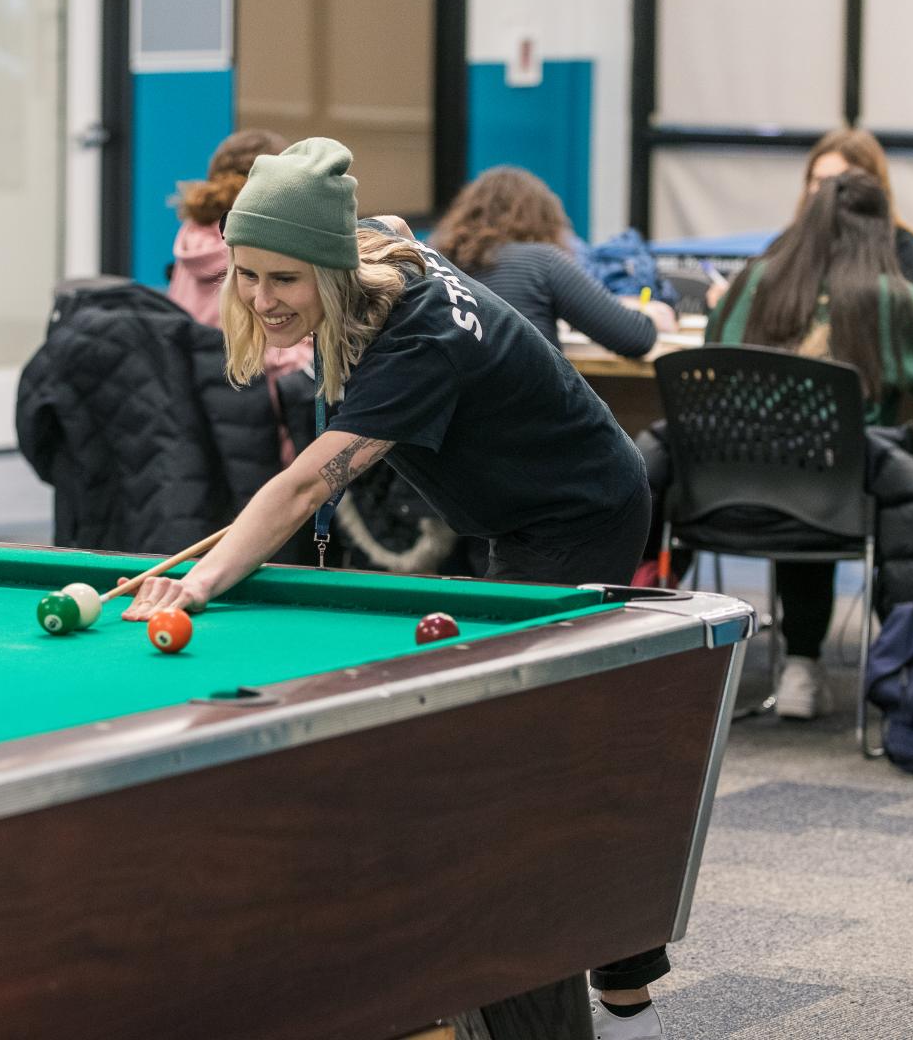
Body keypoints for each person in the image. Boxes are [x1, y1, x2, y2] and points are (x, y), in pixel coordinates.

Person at [119, 137, 668, 1040]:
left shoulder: (418, 339)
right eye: (246, 274)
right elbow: (385, 224)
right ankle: (607, 985)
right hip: (515, 515)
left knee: (522, 759)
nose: (260, 297)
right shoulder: (371, 242)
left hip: (582, 513)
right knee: (531, 741)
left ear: (332, 269)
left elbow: (304, 486)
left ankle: (614, 999)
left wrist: (195, 583)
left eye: (284, 279)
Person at [706, 169, 913, 717]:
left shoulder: (748, 284)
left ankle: (800, 664)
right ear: (881, 230)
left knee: (804, 474)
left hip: (729, 491)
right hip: (837, 494)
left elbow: (711, 346)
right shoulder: (885, 299)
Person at [432, 165, 677, 356]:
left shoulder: (437, 264)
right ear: (543, 218)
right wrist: (649, 316)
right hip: (527, 402)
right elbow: (635, 338)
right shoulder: (542, 262)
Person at [708, 127, 913, 309]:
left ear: (871, 188)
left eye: (839, 182)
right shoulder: (789, 242)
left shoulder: (902, 245)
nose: (825, 192)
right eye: (818, 180)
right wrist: (730, 299)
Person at [166, 128, 307, 376]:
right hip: (248, 388)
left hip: (191, 387)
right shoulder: (262, 245)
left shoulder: (190, 239)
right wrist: (311, 358)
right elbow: (269, 357)